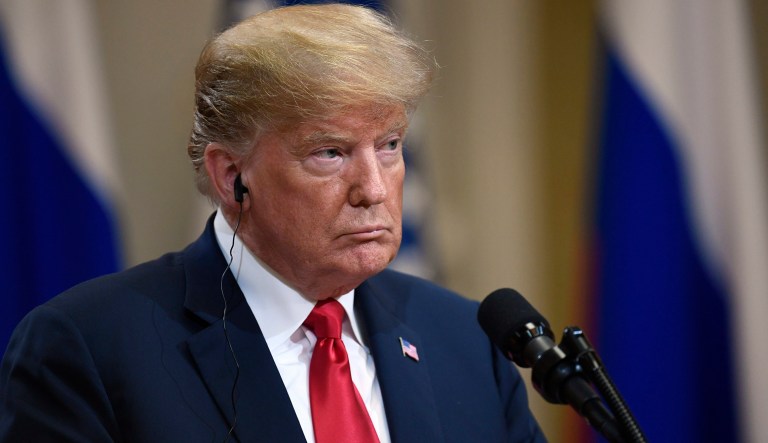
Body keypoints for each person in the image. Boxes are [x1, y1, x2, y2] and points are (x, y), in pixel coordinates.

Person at [0, 4, 546, 442]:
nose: (374, 189)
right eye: (329, 152)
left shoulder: (466, 341)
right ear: (232, 175)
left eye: (390, 146)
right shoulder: (89, 349)